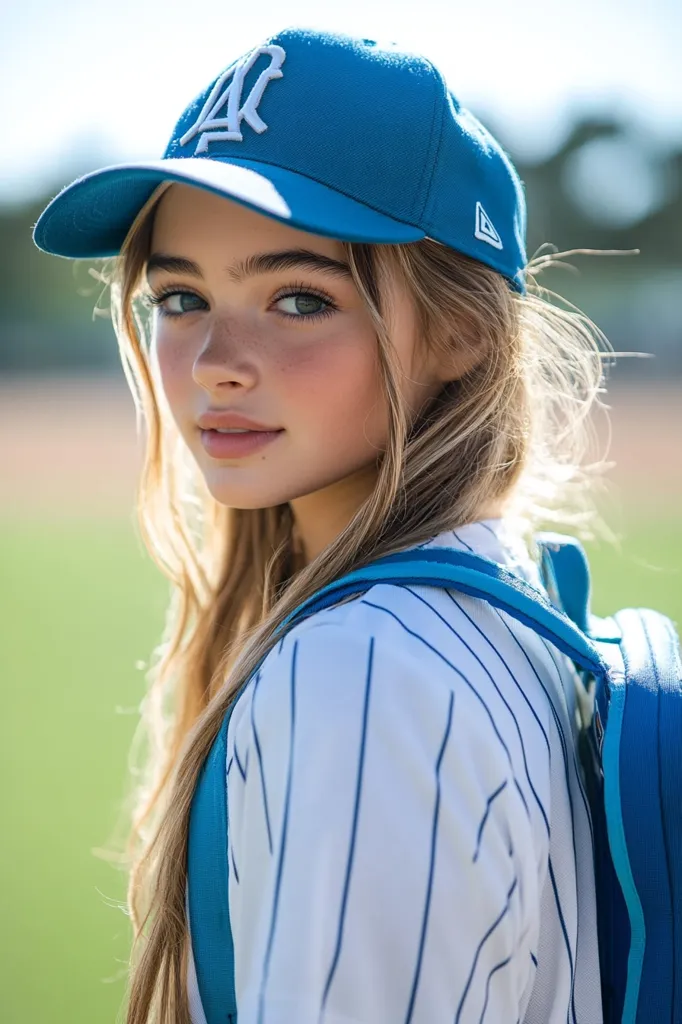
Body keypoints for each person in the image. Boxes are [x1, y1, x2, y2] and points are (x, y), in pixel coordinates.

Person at [33, 25, 611, 1024]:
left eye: (297, 297)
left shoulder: (361, 670)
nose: (215, 357)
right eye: (180, 296)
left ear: (462, 329)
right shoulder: (500, 607)